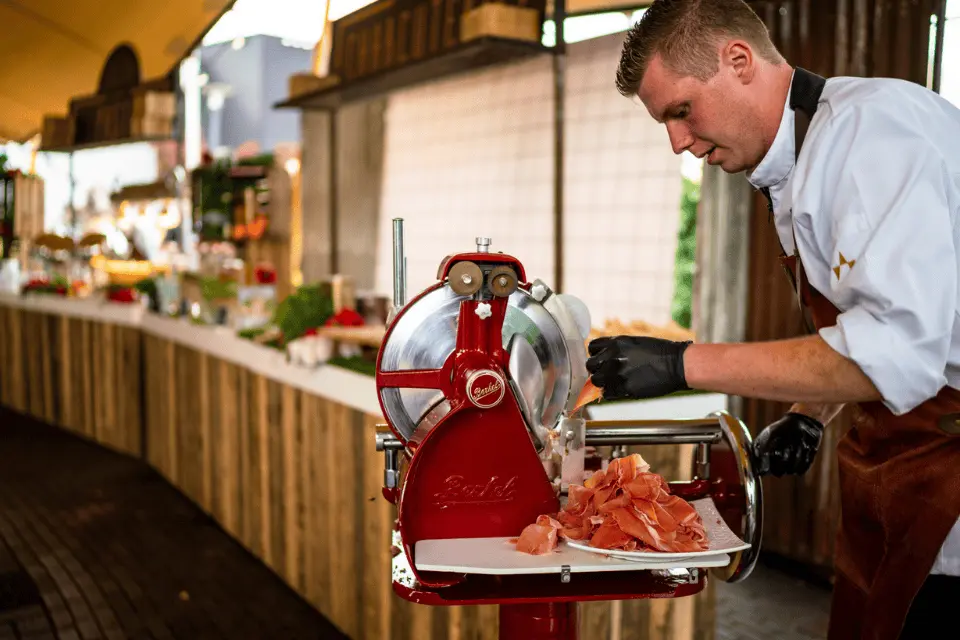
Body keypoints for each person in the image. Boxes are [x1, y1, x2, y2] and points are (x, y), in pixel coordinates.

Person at [586, 0, 960, 638]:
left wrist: (681, 364)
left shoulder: (873, 137)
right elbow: (866, 321)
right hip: (894, 464)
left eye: (681, 110)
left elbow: (895, 350)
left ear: (738, 61)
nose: (678, 142)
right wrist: (810, 414)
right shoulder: (796, 162)